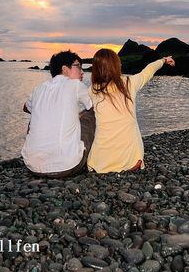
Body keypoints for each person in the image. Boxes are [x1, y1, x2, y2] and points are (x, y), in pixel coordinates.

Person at [87, 49, 175, 173]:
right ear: (116, 66)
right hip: (130, 162)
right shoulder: (129, 83)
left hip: (99, 163)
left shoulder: (92, 90)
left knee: (88, 114)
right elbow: (148, 71)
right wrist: (164, 60)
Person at [21, 50, 96, 178]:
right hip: (68, 166)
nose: (82, 72)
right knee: (90, 115)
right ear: (65, 69)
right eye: (78, 66)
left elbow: (25, 108)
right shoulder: (76, 85)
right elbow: (93, 106)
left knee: (36, 115)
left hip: (32, 166)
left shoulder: (39, 88)